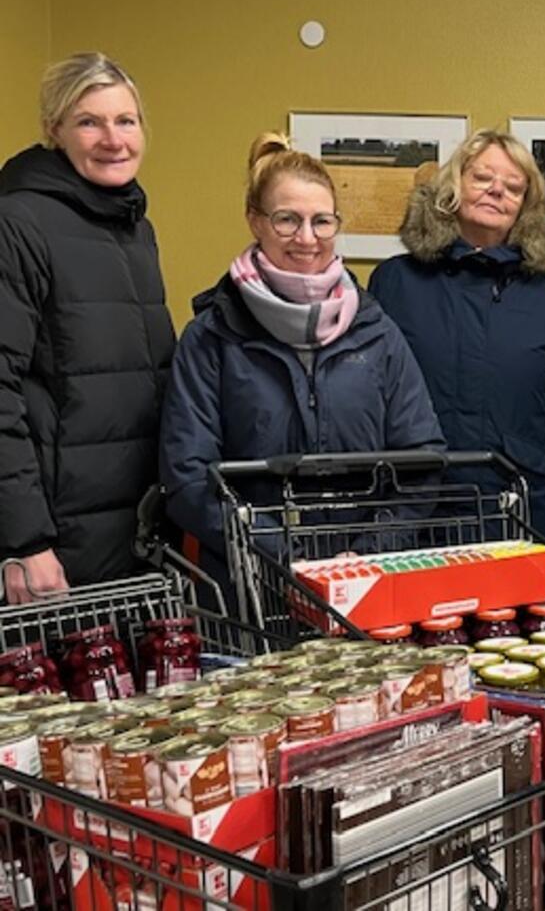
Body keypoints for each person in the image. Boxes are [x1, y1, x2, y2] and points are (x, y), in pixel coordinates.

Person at [159, 133, 444, 582]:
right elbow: (188, 479)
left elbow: (423, 457)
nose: (307, 238)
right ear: (255, 221)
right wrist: (288, 558)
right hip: (252, 590)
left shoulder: (377, 332)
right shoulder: (211, 337)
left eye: (322, 221)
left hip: (365, 584)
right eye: (287, 220)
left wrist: (367, 554)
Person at [369, 129, 545, 562]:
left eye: (514, 187)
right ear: (453, 186)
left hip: (521, 524)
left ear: (524, 208)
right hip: (413, 523)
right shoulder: (395, 283)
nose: (498, 190)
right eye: (482, 178)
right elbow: (364, 409)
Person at [0, 52, 175, 602]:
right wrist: (24, 543)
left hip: (136, 535)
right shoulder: (19, 223)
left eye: (126, 120)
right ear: (54, 131)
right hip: (56, 548)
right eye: (88, 122)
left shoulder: (134, 226)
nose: (113, 139)